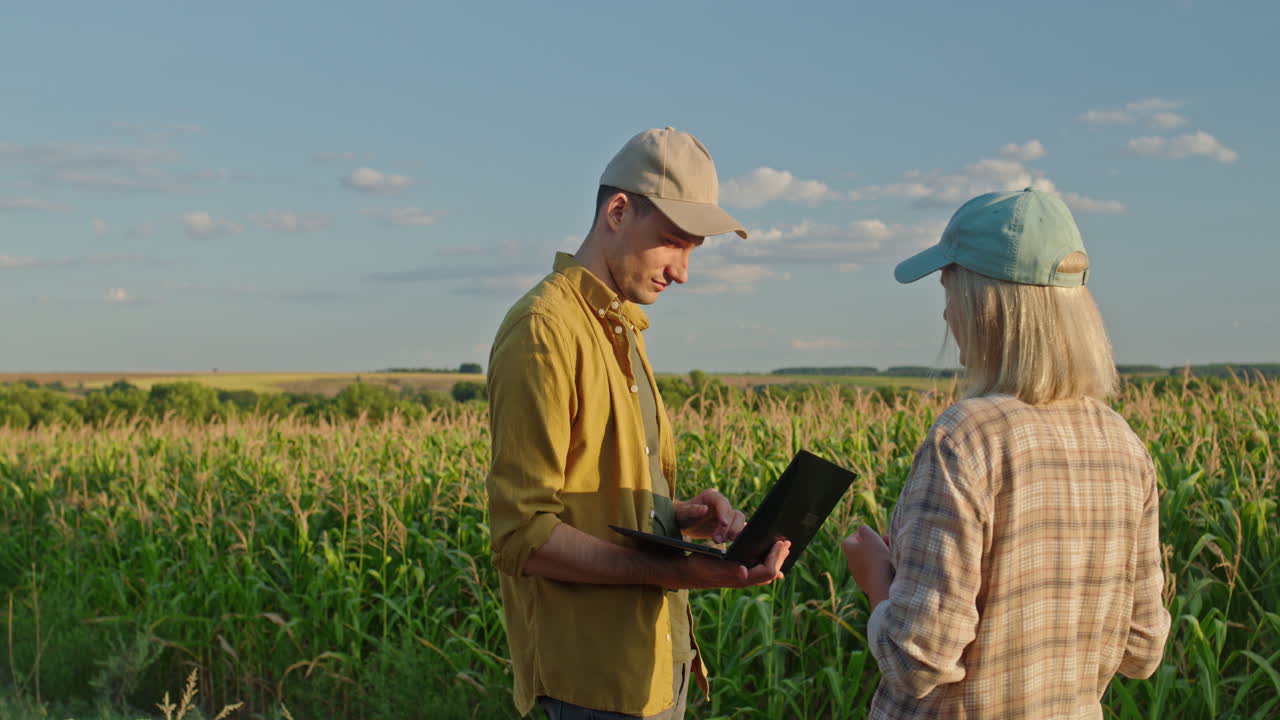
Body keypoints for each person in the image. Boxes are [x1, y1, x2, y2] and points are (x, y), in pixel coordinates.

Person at [486, 127, 791, 720]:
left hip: (658, 661)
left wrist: (678, 521)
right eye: (673, 243)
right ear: (618, 212)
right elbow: (521, 533)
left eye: (692, 250)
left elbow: (585, 498)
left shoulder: (620, 326)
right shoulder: (544, 331)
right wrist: (680, 572)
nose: (682, 272)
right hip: (594, 682)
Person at [842, 188, 1171, 718]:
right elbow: (1142, 647)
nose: (948, 315)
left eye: (951, 290)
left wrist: (877, 580)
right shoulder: (1123, 444)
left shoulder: (967, 437)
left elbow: (917, 660)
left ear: (986, 306)